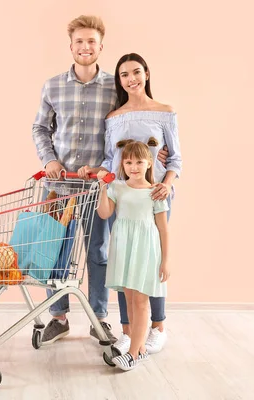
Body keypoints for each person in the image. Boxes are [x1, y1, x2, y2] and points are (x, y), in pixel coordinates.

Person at [78, 52, 182, 355]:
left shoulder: (165, 112)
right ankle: (126, 330)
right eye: (124, 75)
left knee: (151, 262)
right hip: (122, 198)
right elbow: (112, 161)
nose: (131, 79)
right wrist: (99, 173)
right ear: (119, 81)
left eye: (136, 72)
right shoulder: (114, 117)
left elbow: (174, 157)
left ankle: (157, 327)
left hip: (154, 196)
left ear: (146, 73)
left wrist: (165, 184)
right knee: (124, 260)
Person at [31, 15, 119, 345]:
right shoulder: (53, 85)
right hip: (59, 187)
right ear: (71, 46)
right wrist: (49, 159)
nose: (85, 46)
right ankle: (59, 317)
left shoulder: (114, 87)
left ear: (100, 46)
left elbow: (125, 130)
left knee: (98, 252)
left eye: (91, 41)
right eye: (79, 41)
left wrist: (158, 150)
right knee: (54, 253)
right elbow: (40, 128)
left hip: (97, 190)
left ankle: (99, 319)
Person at [96, 139, 170, 371]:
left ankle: (133, 353)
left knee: (140, 301)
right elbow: (105, 213)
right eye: (128, 162)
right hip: (123, 249)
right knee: (129, 300)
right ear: (122, 164)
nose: (134, 167)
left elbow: (163, 229)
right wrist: (102, 188)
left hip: (145, 250)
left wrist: (165, 261)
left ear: (149, 163)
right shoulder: (117, 187)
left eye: (139, 162)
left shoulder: (154, 192)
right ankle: (139, 349)